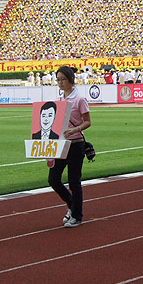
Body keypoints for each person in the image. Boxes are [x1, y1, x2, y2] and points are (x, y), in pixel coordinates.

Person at [48, 65, 91, 228]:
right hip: (61, 145)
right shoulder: (59, 100)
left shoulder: (79, 99)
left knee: (74, 181)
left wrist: (76, 128)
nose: (59, 83)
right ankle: (72, 205)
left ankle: (77, 215)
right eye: (57, 80)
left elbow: (88, 121)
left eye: (62, 79)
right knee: (53, 179)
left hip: (76, 145)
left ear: (70, 80)